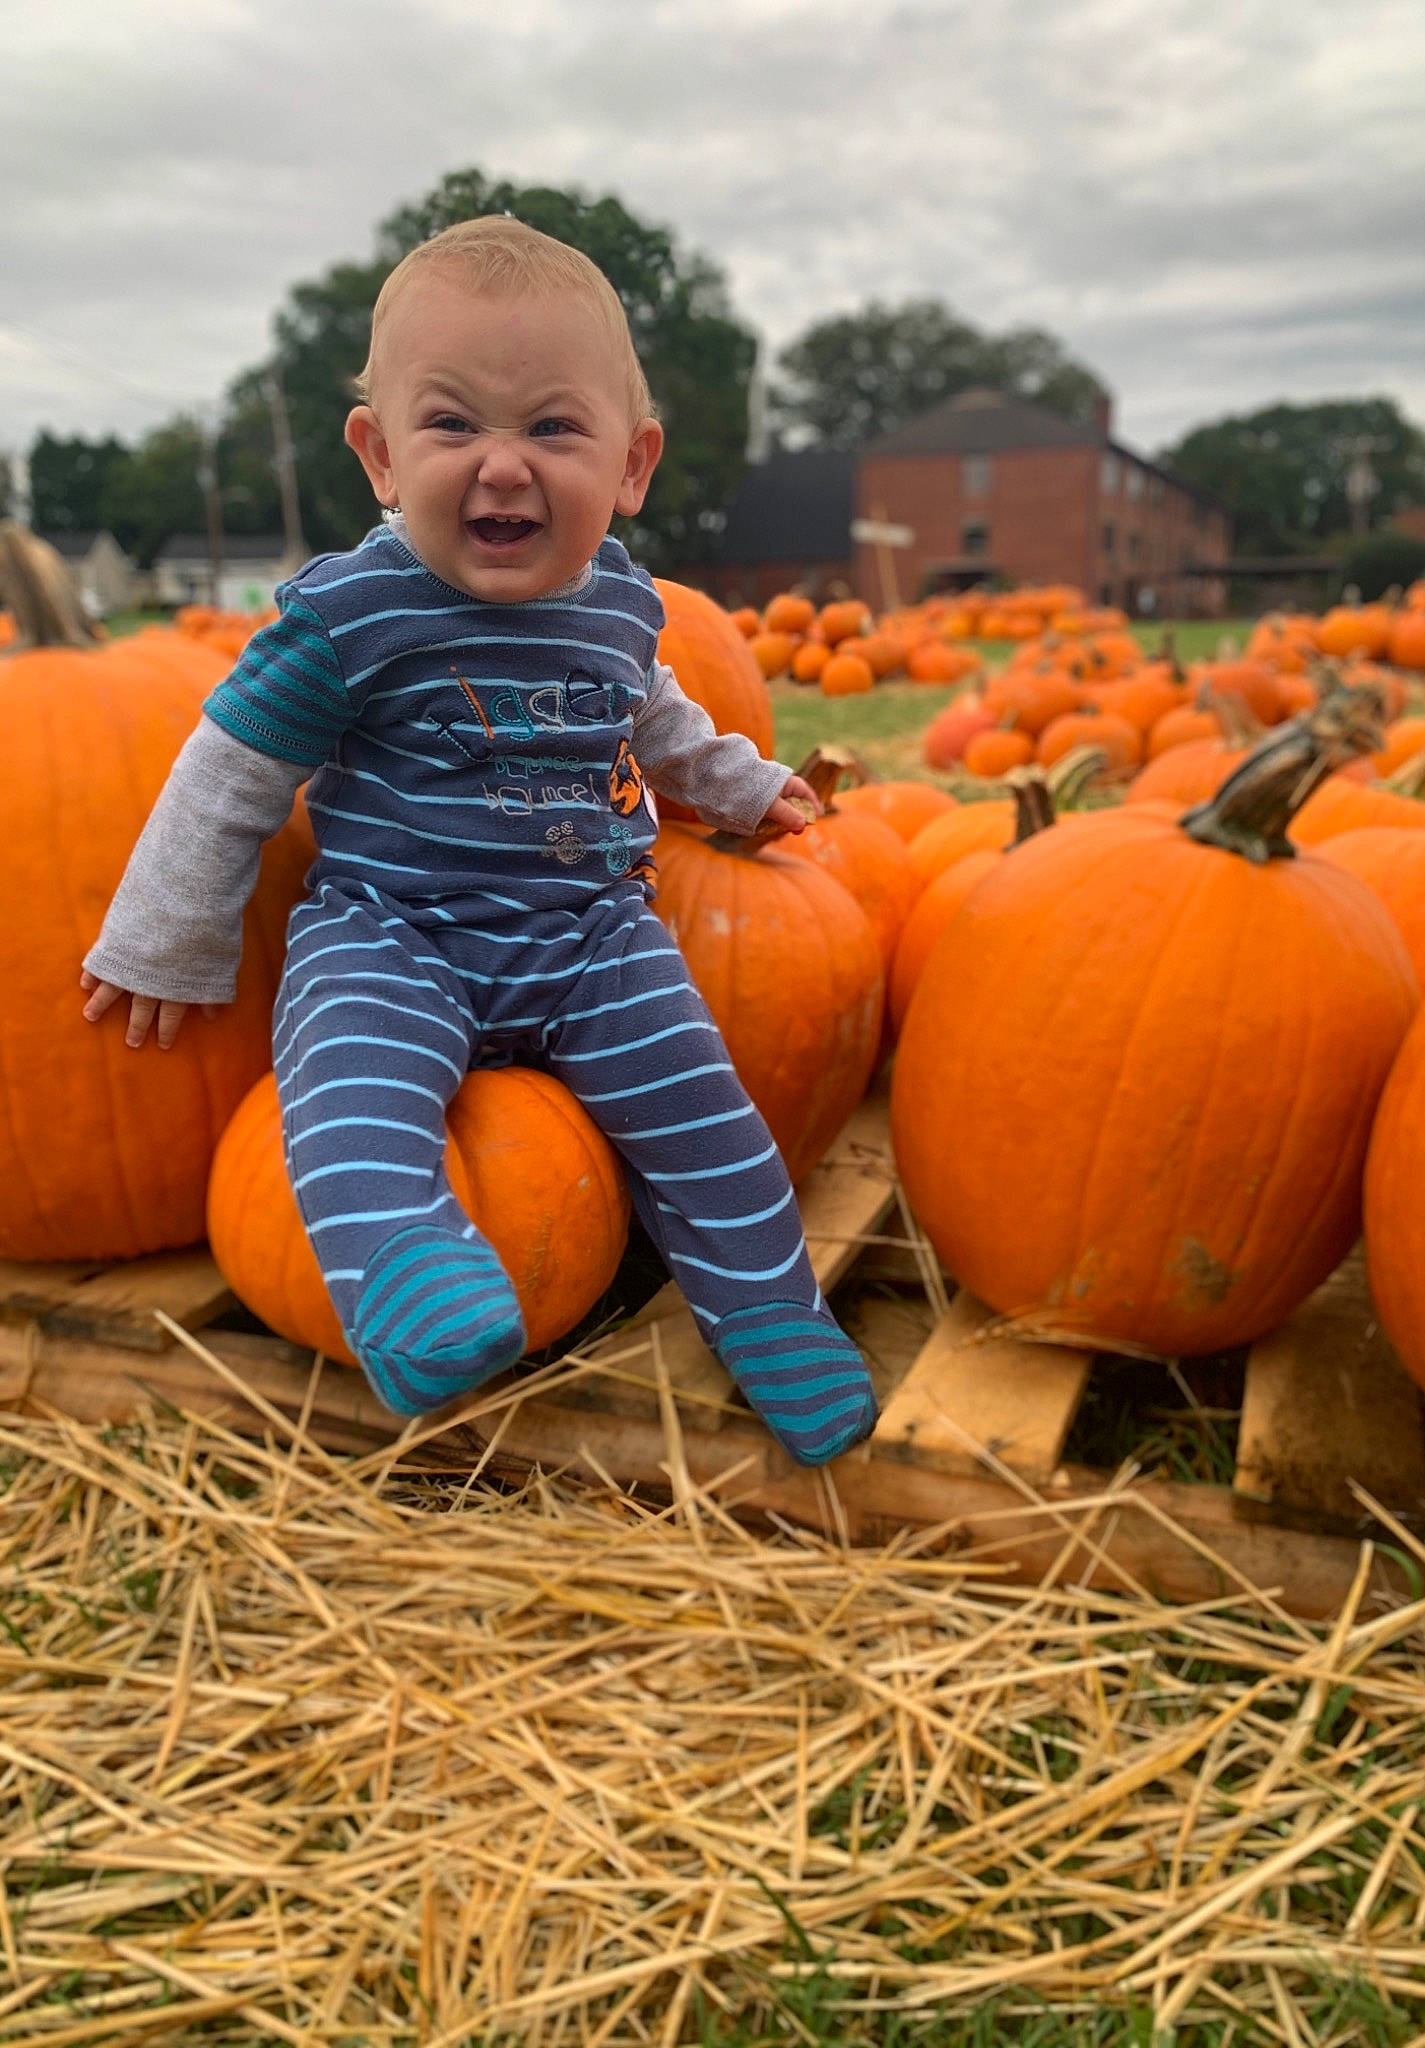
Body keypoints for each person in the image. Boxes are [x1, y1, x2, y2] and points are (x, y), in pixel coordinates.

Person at [81, 216, 878, 1467]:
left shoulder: (621, 599)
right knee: (346, 1095)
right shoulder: (350, 611)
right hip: (394, 931)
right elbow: (230, 770)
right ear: (381, 454)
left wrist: (739, 784)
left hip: (594, 936)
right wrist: (167, 936)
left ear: (631, 465)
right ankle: (406, 1264)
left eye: (553, 428)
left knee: (711, 1121)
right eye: (453, 425)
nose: (503, 466)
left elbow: (658, 718)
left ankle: (774, 1310)